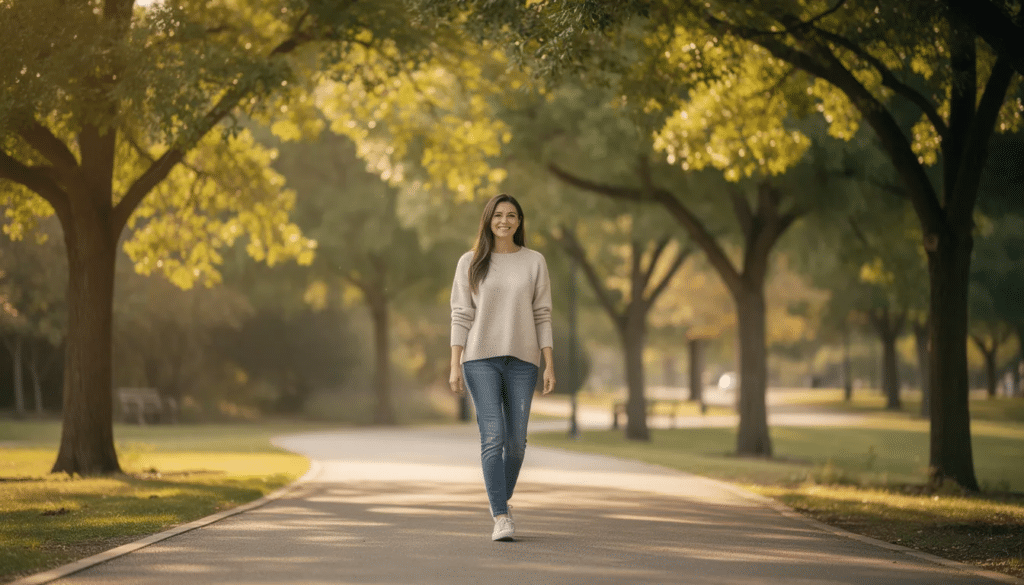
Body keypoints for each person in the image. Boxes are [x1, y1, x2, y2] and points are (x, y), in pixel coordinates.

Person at [449, 193, 555, 542]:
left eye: (511, 215)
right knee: (493, 436)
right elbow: (461, 315)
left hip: (523, 362)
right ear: (488, 220)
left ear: (519, 222)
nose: (504, 221)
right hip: (480, 359)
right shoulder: (470, 262)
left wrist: (549, 363)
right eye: (498, 215)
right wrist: (454, 364)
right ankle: (500, 516)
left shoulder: (534, 261)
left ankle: (500, 500)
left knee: (518, 443)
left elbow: (542, 314)